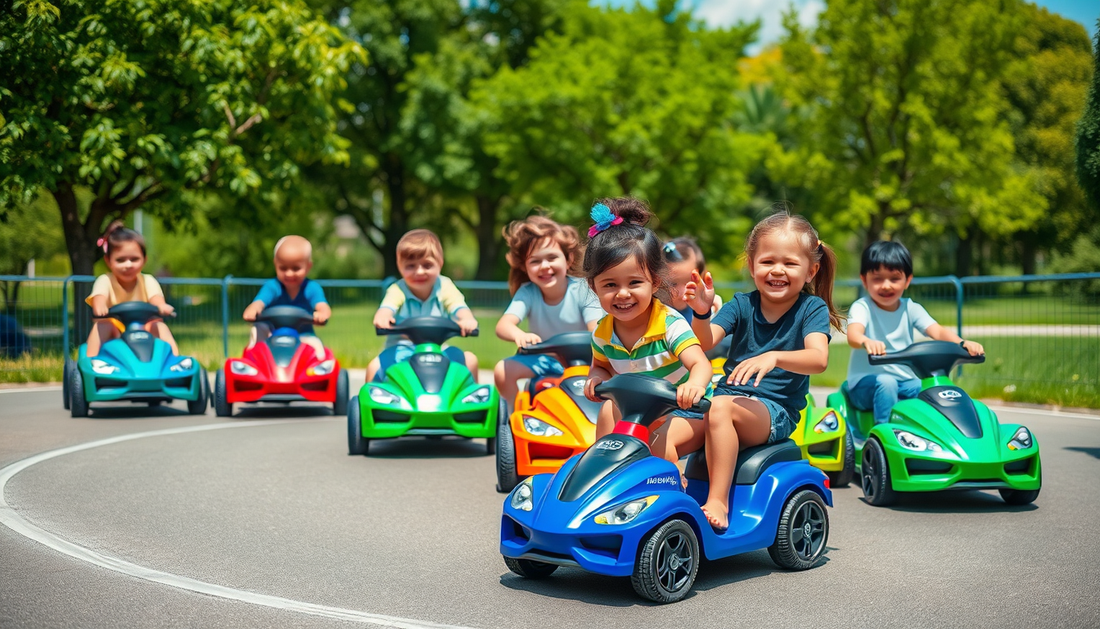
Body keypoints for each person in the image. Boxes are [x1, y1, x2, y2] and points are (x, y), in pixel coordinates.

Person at [684, 211, 843, 532]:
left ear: (812, 270)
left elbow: (818, 359)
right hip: (726, 402)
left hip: (775, 412)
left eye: (790, 263)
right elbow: (705, 341)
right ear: (752, 264)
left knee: (720, 408)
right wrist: (701, 312)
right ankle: (663, 500)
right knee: (664, 430)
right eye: (768, 261)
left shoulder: (811, 309)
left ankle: (718, 502)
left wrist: (775, 357)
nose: (778, 271)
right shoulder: (742, 304)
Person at [580, 198, 713, 469]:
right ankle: (605, 472)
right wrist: (595, 379)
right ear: (593, 287)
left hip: (686, 413)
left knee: (657, 439)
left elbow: (700, 363)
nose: (623, 293)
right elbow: (600, 367)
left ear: (655, 282)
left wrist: (694, 386)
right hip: (639, 413)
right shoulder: (602, 334)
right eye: (610, 284)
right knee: (607, 410)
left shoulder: (669, 324)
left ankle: (673, 492)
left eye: (634, 282)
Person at [846, 240, 984, 424]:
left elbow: (937, 331)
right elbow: (853, 335)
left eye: (894, 279)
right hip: (865, 385)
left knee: (934, 387)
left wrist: (962, 343)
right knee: (887, 383)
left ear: (907, 280)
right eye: (878, 278)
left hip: (904, 382)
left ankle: (940, 432)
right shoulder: (862, 307)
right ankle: (884, 432)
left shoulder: (911, 308)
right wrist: (866, 341)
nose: (886, 285)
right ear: (864, 280)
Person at [494, 215, 603, 409]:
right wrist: (519, 334)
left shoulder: (583, 290)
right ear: (524, 267)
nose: (545, 266)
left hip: (583, 362)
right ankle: (510, 420)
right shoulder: (528, 292)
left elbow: (596, 330)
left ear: (568, 259)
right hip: (543, 361)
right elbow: (503, 326)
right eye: (535, 261)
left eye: (552, 257)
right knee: (503, 370)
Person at [367, 229, 479, 382]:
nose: (419, 272)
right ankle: (371, 402)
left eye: (427, 265)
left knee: (470, 360)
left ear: (440, 264)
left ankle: (470, 401)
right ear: (399, 267)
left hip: (437, 350)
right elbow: (387, 308)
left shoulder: (445, 286)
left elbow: (458, 306)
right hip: (401, 349)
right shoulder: (397, 290)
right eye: (410, 266)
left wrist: (467, 319)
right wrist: (383, 317)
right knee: (374, 366)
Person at [85, 221, 178, 357]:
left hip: (143, 329)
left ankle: (173, 361)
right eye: (121, 260)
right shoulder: (105, 280)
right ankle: (91, 361)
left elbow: (156, 299)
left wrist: (162, 306)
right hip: (115, 330)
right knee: (103, 326)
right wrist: (100, 306)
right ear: (108, 260)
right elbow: (100, 296)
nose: (128, 265)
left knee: (159, 326)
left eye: (134, 259)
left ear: (144, 260)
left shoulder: (148, 280)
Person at [242, 235, 331, 360]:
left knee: (318, 348)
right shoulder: (272, 287)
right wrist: (253, 309)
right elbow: (259, 302)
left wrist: (322, 314)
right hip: (271, 337)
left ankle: (319, 374)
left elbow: (323, 306)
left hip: (303, 337)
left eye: (296, 268)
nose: (289, 273)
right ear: (275, 265)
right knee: (258, 329)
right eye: (283, 268)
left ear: (308, 266)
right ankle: (254, 363)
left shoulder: (312, 288)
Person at [663, 237, 723, 321]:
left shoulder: (705, 311)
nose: (683, 293)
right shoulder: (652, 314)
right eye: (673, 284)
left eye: (690, 283)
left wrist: (709, 314)